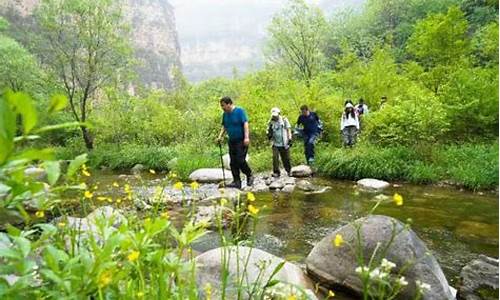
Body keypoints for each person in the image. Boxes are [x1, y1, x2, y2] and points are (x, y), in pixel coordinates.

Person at [217, 97, 254, 189]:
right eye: (221, 106)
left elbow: (245, 124)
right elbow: (224, 126)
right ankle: (236, 181)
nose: (222, 107)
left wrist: (246, 137)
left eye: (223, 105)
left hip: (241, 140)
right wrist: (220, 136)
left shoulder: (239, 111)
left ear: (229, 104)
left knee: (240, 160)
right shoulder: (225, 114)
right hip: (232, 140)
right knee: (233, 162)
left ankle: (249, 175)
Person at [267, 107, 292, 177]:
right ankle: (276, 172)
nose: (275, 117)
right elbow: (268, 131)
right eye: (273, 115)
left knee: (286, 158)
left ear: (279, 114)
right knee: (275, 158)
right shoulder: (270, 122)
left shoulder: (284, 120)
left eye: (276, 115)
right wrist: (269, 135)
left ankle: (289, 170)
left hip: (284, 142)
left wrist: (290, 138)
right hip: (275, 143)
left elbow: (288, 129)